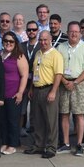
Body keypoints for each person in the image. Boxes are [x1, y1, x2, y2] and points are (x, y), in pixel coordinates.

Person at [57, 21, 84, 156]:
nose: (73, 34)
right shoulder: (61, 47)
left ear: (80, 33)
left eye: (76, 32)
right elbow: (57, 68)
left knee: (79, 114)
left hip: (80, 84)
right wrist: (65, 81)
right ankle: (66, 143)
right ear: (67, 32)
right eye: (71, 31)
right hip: (64, 83)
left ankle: (79, 144)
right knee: (64, 114)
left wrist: (76, 82)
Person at [27, 30, 64, 158]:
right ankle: (39, 145)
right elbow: (34, 73)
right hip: (37, 89)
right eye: (41, 40)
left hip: (49, 89)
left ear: (50, 40)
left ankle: (51, 147)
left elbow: (58, 74)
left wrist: (53, 91)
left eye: (45, 40)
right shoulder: (38, 53)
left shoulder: (55, 55)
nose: (43, 42)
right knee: (38, 120)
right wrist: (31, 88)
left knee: (50, 120)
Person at [0, 31, 29, 155]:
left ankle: (12, 144)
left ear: (15, 43)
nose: (8, 43)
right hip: (1, 94)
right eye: (6, 41)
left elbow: (24, 75)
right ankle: (5, 142)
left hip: (13, 93)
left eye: (11, 41)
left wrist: (20, 92)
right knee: (3, 119)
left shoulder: (19, 56)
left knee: (13, 120)